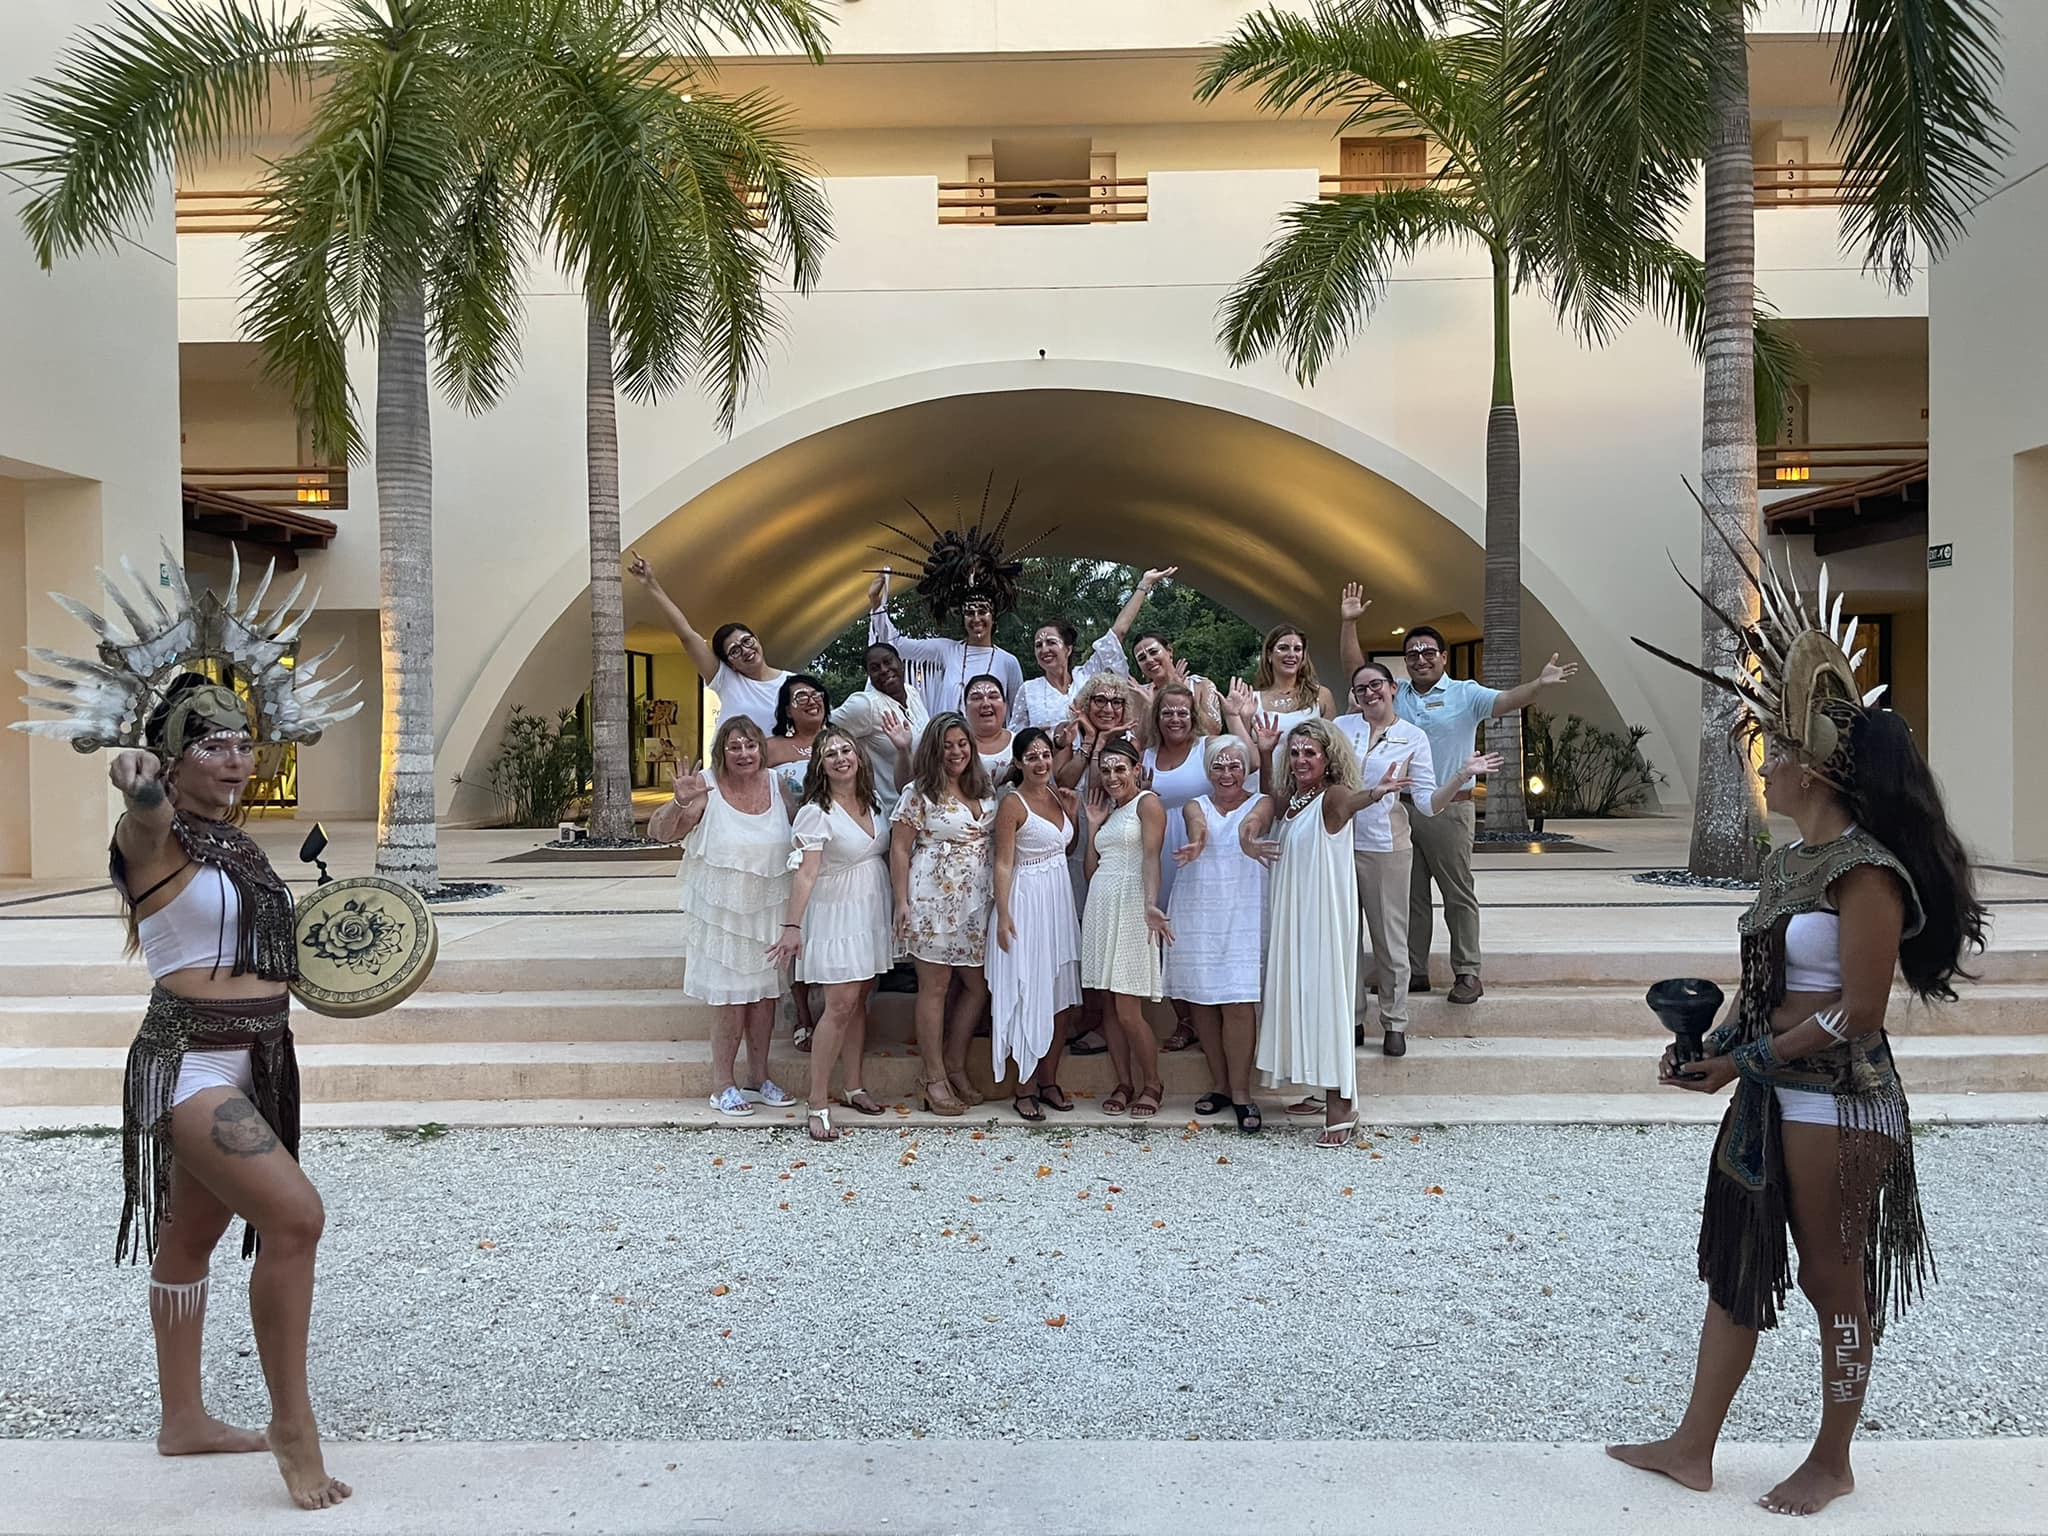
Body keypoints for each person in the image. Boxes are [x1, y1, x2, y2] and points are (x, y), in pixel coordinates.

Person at [1609, 555, 1985, 1518]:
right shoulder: (1790, 866)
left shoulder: (1867, 873)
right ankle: (1693, 1446)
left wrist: (1749, 1058)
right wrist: (1710, 1052)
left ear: (1814, 767)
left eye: (1773, 753)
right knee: (1738, 1270)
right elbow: (1762, 984)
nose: (1764, 767)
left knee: (1830, 1276)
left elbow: (1859, 1013)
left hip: (1842, 1102)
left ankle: (1833, 1457)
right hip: (1772, 1095)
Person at [100, 676, 349, 1510]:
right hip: (190, 1065)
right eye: (213, 744)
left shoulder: (237, 844)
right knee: (296, 1217)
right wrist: (139, 789)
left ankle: (184, 1420)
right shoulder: (157, 840)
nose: (237, 757)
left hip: (260, 1057)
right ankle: (293, 1428)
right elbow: (141, 814)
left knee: (189, 1240)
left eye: (243, 741)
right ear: (173, 760)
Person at [1337, 583, 1577, 1005]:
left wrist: (1539, 684)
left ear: (1443, 657)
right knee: (1410, 897)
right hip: (1401, 811)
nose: (1421, 659)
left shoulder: (1465, 693)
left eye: (1429, 652)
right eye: (1412, 654)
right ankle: (1414, 970)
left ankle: (1467, 971)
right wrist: (1349, 623)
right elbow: (1358, 671)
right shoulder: (1398, 695)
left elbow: (1505, 701)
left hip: (1450, 810)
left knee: (1457, 893)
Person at [1243, 717, 1409, 1148]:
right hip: (1295, 917)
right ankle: (1321, 1090)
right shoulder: (1296, 798)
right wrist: (1265, 751)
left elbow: (1353, 801)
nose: (1300, 760)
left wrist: (1377, 792)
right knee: (1304, 998)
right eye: (1295, 753)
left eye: (1309, 753)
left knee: (1326, 1001)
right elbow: (1269, 797)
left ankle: (1342, 1105)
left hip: (1321, 919)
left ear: (1328, 757)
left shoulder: (1332, 796)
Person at [1330, 661, 1502, 1056]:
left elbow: (1426, 804)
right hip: (1338, 846)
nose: (1369, 693)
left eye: (1376, 685)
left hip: (1386, 849)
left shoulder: (1412, 736)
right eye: (1360, 689)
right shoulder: (1341, 728)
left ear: (1392, 688)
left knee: (1390, 942)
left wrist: (1461, 775)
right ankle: (1353, 1018)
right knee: (1344, 940)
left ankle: (1394, 1021)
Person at [652, 718, 796, 1119]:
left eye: (750, 745)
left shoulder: (777, 784)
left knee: (765, 997)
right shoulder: (705, 786)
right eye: (735, 747)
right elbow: (661, 832)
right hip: (721, 914)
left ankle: (759, 1076)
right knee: (730, 999)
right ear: (723, 751)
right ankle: (722, 1084)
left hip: (767, 908)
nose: (745, 754)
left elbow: (801, 832)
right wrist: (679, 802)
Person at [766, 726, 894, 1142]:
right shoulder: (815, 811)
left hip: (870, 908)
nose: (840, 758)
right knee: (838, 1006)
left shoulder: (873, 800)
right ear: (819, 765)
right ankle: (817, 1100)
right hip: (836, 913)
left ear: (858, 755)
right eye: (829, 754)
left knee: (859, 1002)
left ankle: (854, 1085)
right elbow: (805, 872)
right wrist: (792, 926)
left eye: (845, 750)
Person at [890, 714, 997, 1115]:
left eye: (962, 744)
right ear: (935, 748)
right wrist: (901, 902)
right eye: (948, 745)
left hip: (976, 902)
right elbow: (900, 848)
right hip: (932, 899)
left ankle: (954, 1062)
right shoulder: (919, 793)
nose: (956, 752)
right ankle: (932, 1076)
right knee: (935, 988)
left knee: (977, 985)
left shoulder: (983, 788)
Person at [1164, 734, 1268, 1131]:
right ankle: (1221, 1086)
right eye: (1219, 767)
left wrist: (1247, 836)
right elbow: (1197, 825)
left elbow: (1255, 824)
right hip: (1201, 905)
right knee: (1203, 1001)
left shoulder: (1261, 802)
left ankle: (1242, 1093)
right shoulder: (1196, 804)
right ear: (1208, 771)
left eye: (1234, 766)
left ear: (1245, 769)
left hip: (1242, 907)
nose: (1227, 774)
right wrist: (1196, 842)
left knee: (1240, 1001)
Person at [987, 728, 1084, 1121]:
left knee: (1059, 993)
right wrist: (1004, 911)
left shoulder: (1059, 796)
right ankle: (1023, 1085)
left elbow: (1066, 847)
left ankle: (1048, 1079)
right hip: (1026, 899)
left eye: (1046, 754)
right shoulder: (1012, 803)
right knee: (1028, 990)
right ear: (1018, 763)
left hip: (1058, 899)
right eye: (1033, 757)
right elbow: (1003, 861)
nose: (1041, 762)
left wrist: (1075, 817)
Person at [1079, 733, 1173, 1119]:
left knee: (1128, 1009)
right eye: (1106, 770)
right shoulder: (1110, 813)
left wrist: (1151, 903)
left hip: (1132, 904)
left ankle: (1152, 1082)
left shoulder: (1147, 803)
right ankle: (1123, 1082)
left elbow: (1151, 857)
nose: (1113, 776)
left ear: (1136, 769)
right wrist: (1092, 826)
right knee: (1108, 1008)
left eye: (1120, 768)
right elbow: (1090, 871)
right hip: (1102, 905)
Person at [630, 552, 790, 736]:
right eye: (735, 651)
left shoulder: (793, 683)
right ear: (730, 664)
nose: (746, 650)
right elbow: (687, 635)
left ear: (756, 639)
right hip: (728, 764)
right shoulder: (727, 680)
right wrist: (651, 584)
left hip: (776, 765)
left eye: (747, 641)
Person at [1009, 567, 1175, 729]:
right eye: (1038, 645)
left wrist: (1144, 585)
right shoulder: (1028, 690)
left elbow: (1119, 632)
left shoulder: (1087, 676)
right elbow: (1015, 737)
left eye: (1051, 642)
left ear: (1068, 649)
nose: (1044, 649)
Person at [1143, 681, 1216, 1052]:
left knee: (1197, 932)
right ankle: (1184, 1019)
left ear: (1194, 716)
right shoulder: (1146, 755)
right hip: (1157, 849)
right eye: (1167, 712)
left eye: (1182, 712)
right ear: (1157, 717)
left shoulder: (1207, 749)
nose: (1175, 718)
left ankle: (1209, 1014)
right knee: (1166, 933)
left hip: (1198, 846)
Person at [867, 570, 1024, 717]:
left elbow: (1019, 714)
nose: (976, 619)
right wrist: (876, 601)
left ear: (993, 617)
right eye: (969, 613)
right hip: (950, 742)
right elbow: (897, 645)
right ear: (962, 618)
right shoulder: (947, 650)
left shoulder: (1008, 662)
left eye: (982, 612)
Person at [832, 641, 925, 809]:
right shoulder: (866, 705)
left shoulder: (911, 692)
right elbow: (824, 727)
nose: (883, 669)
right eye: (875, 668)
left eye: (888, 662)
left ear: (900, 662)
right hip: (891, 810)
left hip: (925, 803)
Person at [1131, 631, 1224, 735]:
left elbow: (1214, 731)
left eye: (1153, 652)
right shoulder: (1140, 695)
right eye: (1142, 658)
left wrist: (1185, 694)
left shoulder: (1201, 685)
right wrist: (1150, 707)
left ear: (1169, 651)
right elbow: (1139, 742)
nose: (1149, 660)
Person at [1251, 622, 1335, 732]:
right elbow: (1241, 746)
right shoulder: (1252, 700)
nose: (1291, 654)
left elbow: (1334, 744)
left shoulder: (1322, 695)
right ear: (1269, 655)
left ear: (1303, 656)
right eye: (1283, 648)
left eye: (1297, 649)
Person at [765, 673, 833, 804]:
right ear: (788, 711)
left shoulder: (843, 744)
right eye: (801, 698)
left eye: (816, 695)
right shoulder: (770, 748)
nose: (812, 701)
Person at [964, 671, 1016, 784]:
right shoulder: (956, 748)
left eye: (993, 697)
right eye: (977, 698)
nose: (986, 704)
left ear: (1005, 706)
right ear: (965, 709)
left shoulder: (1019, 743)